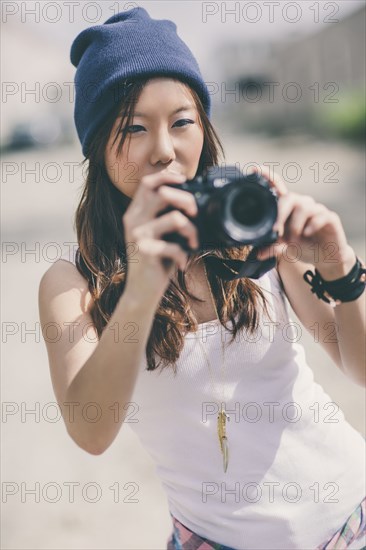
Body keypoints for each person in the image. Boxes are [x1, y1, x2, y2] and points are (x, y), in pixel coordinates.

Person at [38, 7, 366, 550]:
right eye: (133, 128)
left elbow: (360, 366)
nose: (164, 149)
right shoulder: (74, 280)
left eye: (182, 120)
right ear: (96, 145)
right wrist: (142, 284)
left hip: (351, 517)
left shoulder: (252, 227)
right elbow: (90, 431)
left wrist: (340, 265)